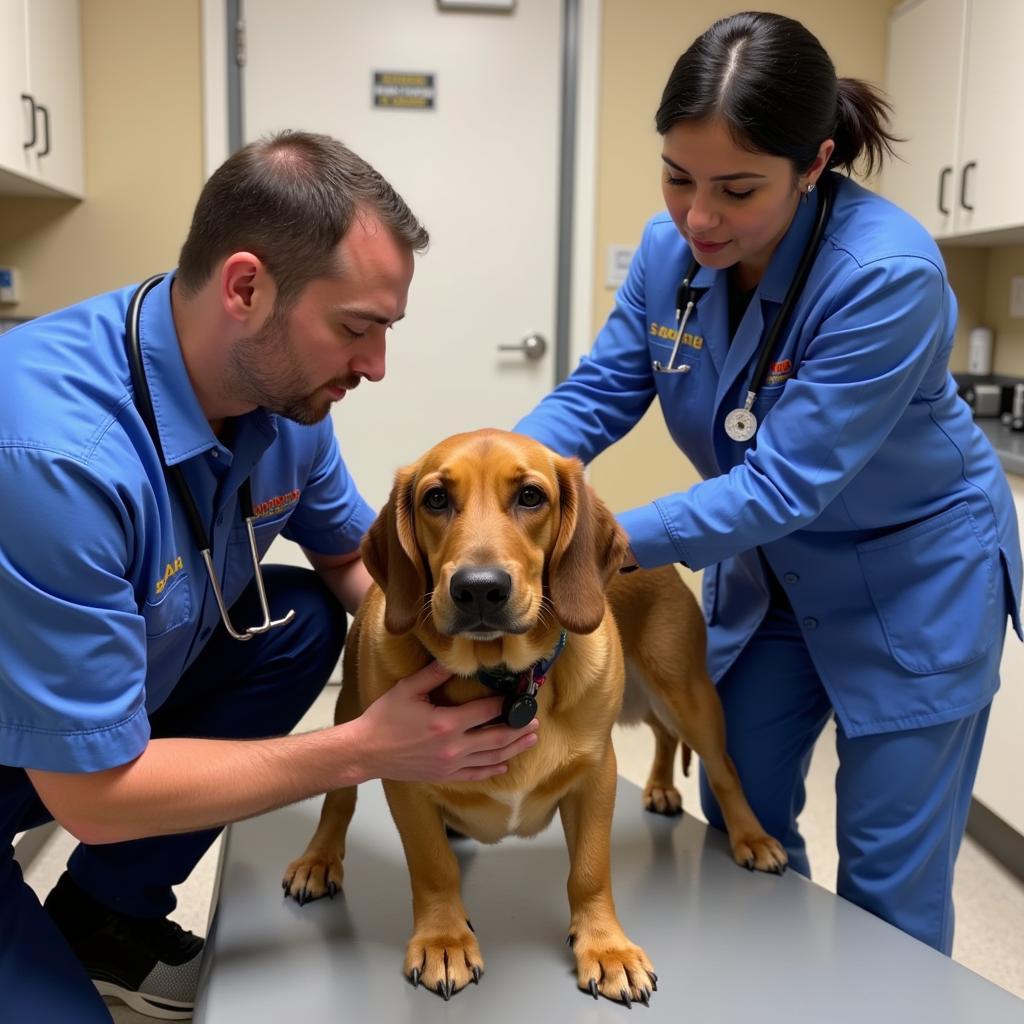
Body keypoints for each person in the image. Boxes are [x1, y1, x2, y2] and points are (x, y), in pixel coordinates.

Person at [0, 131, 539, 1022]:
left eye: (385, 332)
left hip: (68, 733)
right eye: (355, 329)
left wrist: (476, 660)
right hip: (67, 770)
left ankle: (103, 919)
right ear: (246, 288)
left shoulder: (286, 405)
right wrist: (368, 748)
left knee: (297, 618)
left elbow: (361, 575)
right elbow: (91, 800)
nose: (374, 367)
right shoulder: (53, 459)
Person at [515, 11, 1022, 955]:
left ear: (815, 162)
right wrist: (495, 487)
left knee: (885, 873)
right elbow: (595, 397)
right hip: (773, 578)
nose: (698, 217)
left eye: (737, 189)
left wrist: (586, 539)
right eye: (678, 177)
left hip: (915, 579)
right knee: (739, 806)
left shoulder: (886, 275)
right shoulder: (670, 258)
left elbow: (783, 485)